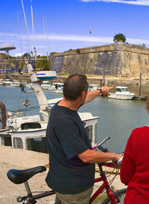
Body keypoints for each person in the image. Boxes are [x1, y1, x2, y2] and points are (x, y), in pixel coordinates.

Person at [46, 74, 121, 204]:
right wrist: (114, 156)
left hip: (63, 179)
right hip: (73, 188)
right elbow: (86, 156)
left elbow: (85, 99)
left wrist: (100, 90)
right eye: (86, 93)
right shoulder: (64, 122)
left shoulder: (62, 105)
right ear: (82, 94)